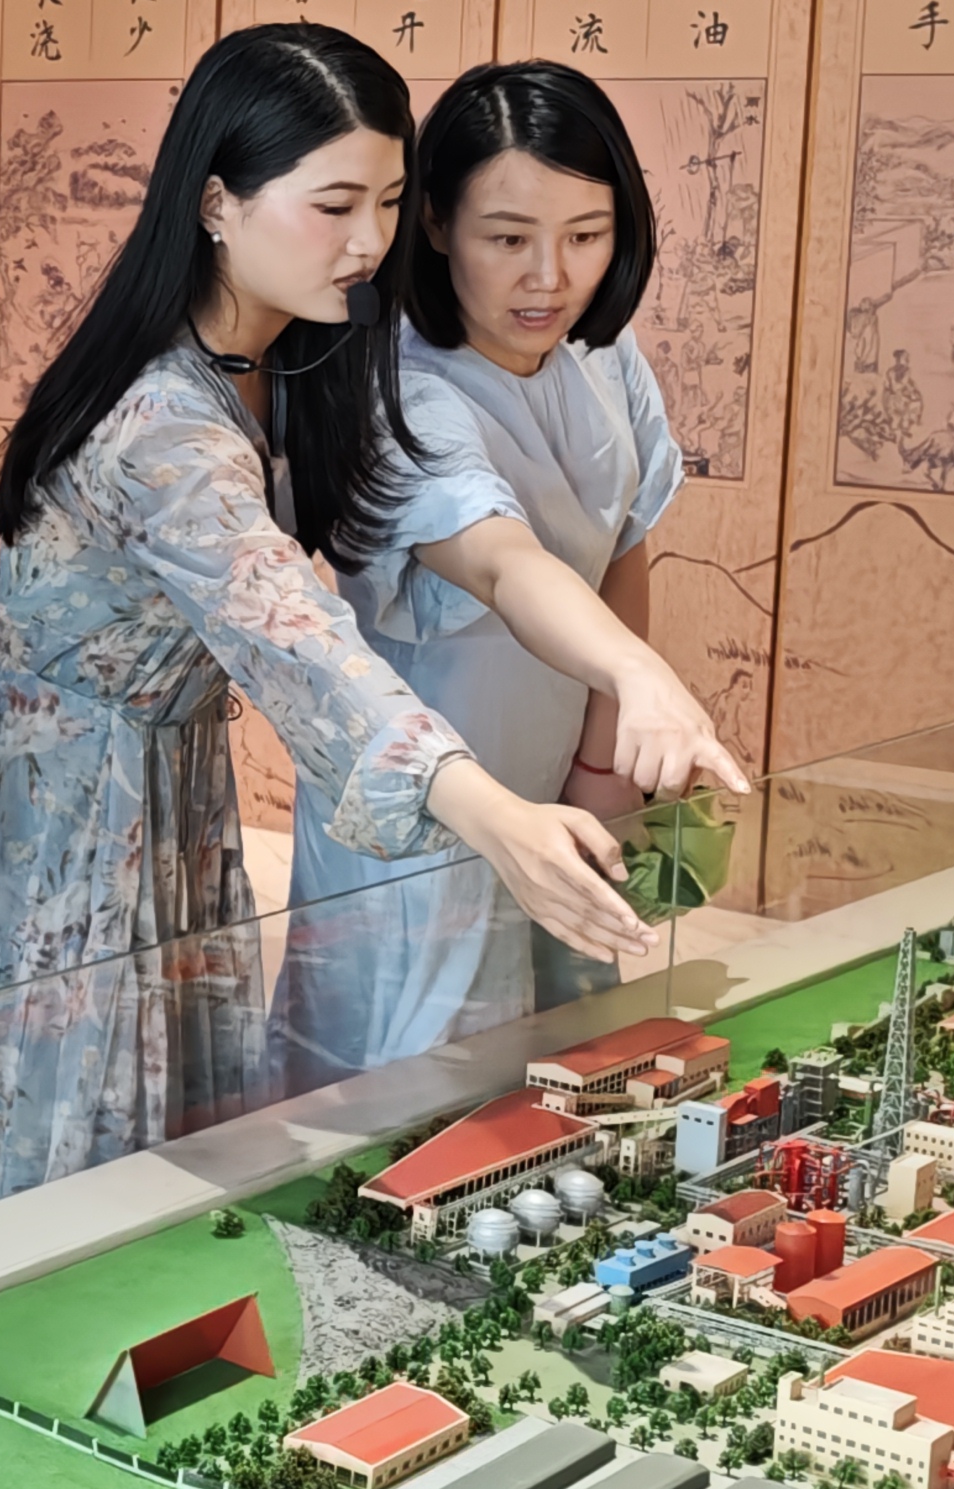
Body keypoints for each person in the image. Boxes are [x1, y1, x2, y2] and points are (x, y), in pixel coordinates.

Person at [0, 23, 652, 1235]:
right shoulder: (160, 424)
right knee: (52, 1149)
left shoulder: (303, 358)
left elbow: (475, 545)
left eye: (387, 203)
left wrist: (626, 675)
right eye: (333, 206)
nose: (370, 243)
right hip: (53, 803)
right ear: (216, 204)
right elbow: (300, 641)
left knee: (167, 1131)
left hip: (166, 773)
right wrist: (494, 814)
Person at [272, 61, 753, 1084]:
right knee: (421, 1078)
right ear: (435, 224)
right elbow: (503, 563)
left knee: (568, 1055)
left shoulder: (603, 356)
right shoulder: (404, 387)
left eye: (585, 235)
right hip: (430, 798)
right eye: (508, 239)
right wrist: (637, 675)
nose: (550, 277)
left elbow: (621, 541)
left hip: (559, 773)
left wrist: (603, 759)